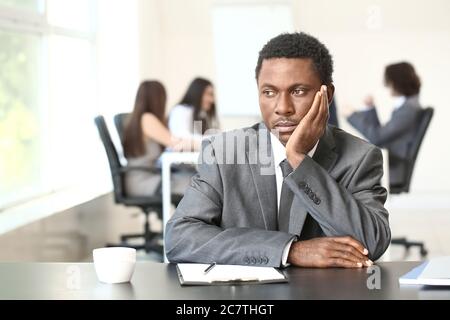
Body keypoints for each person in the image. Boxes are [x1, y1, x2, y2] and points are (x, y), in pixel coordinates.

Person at [165, 33, 391, 269]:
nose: (283, 108)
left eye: (298, 91)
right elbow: (179, 238)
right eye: (269, 92)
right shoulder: (223, 152)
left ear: (328, 95)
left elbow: (371, 244)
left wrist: (299, 160)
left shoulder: (359, 157)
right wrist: (288, 250)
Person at [347, 62, 422, 187]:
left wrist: (352, 116)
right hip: (390, 163)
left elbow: (377, 138)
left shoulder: (408, 110)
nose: (387, 86)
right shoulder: (409, 106)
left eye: (389, 81)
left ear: (397, 82)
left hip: (392, 168)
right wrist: (370, 108)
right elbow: (381, 137)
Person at [123, 81, 198, 197]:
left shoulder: (140, 118)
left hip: (149, 177)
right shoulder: (147, 119)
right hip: (144, 181)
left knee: (194, 178)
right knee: (200, 184)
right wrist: (208, 144)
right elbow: (176, 143)